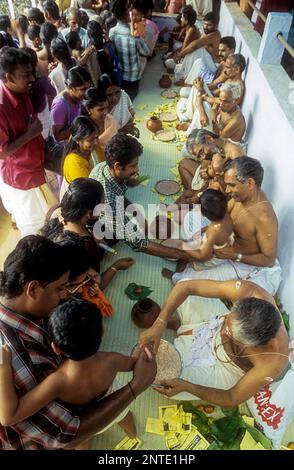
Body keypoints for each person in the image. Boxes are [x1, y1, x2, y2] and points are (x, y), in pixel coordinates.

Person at [0, 236, 156, 450]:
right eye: (60, 288)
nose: (65, 294)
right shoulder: (20, 359)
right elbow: (66, 435)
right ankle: (132, 434)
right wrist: (135, 386)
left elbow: (10, 415)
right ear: (33, 288)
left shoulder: (55, 381)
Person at [139, 278, 290, 407]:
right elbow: (185, 287)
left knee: (163, 380)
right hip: (212, 323)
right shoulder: (248, 291)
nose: (224, 332)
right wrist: (160, 323)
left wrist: (189, 387)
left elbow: (231, 398)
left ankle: (182, 329)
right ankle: (181, 328)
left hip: (225, 368)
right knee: (184, 282)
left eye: (232, 336)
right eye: (228, 326)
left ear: (255, 344)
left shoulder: (272, 362)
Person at [172, 157, 282, 296]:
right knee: (190, 218)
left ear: (250, 183)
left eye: (232, 185)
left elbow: (269, 260)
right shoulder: (241, 197)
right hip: (226, 243)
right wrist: (207, 231)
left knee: (183, 282)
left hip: (240, 262)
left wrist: (235, 256)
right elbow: (224, 217)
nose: (228, 190)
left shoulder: (265, 218)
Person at [89, 133, 193, 261]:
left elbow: (118, 195)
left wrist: (137, 213)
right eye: (133, 165)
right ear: (117, 166)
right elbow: (138, 242)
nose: (137, 170)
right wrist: (179, 254)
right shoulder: (108, 203)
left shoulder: (103, 167)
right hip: (98, 230)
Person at [0, 47, 57, 237]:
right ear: (9, 77)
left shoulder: (22, 90)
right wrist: (31, 134)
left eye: (32, 72)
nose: (33, 78)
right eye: (26, 75)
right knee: (33, 227)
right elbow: (2, 151)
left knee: (46, 216)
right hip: (21, 176)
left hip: (35, 167)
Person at [109, 0, 150, 100]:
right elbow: (147, 52)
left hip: (119, 74)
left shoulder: (112, 32)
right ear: (126, 14)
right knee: (131, 100)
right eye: (129, 9)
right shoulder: (134, 36)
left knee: (122, 99)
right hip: (133, 76)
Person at [167, 11, 220, 83]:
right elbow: (191, 45)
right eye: (204, 24)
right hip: (202, 64)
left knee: (198, 49)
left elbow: (194, 45)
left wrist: (179, 55)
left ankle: (185, 76)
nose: (205, 27)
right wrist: (178, 53)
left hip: (212, 66)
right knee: (170, 62)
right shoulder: (207, 33)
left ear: (216, 26)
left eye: (209, 25)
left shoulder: (215, 35)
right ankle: (183, 70)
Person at [50, 65, 91, 142]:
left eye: (88, 87)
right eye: (83, 89)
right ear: (71, 88)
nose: (87, 92)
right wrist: (81, 126)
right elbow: (58, 137)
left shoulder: (78, 98)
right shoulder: (60, 105)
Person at [60, 115, 99, 195]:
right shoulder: (73, 162)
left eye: (96, 137)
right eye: (90, 140)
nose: (96, 142)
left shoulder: (92, 150)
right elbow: (87, 191)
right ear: (78, 140)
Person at [82, 87, 119, 163]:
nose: (105, 112)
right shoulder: (82, 128)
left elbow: (117, 141)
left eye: (106, 107)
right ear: (88, 109)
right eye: (101, 109)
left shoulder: (110, 120)